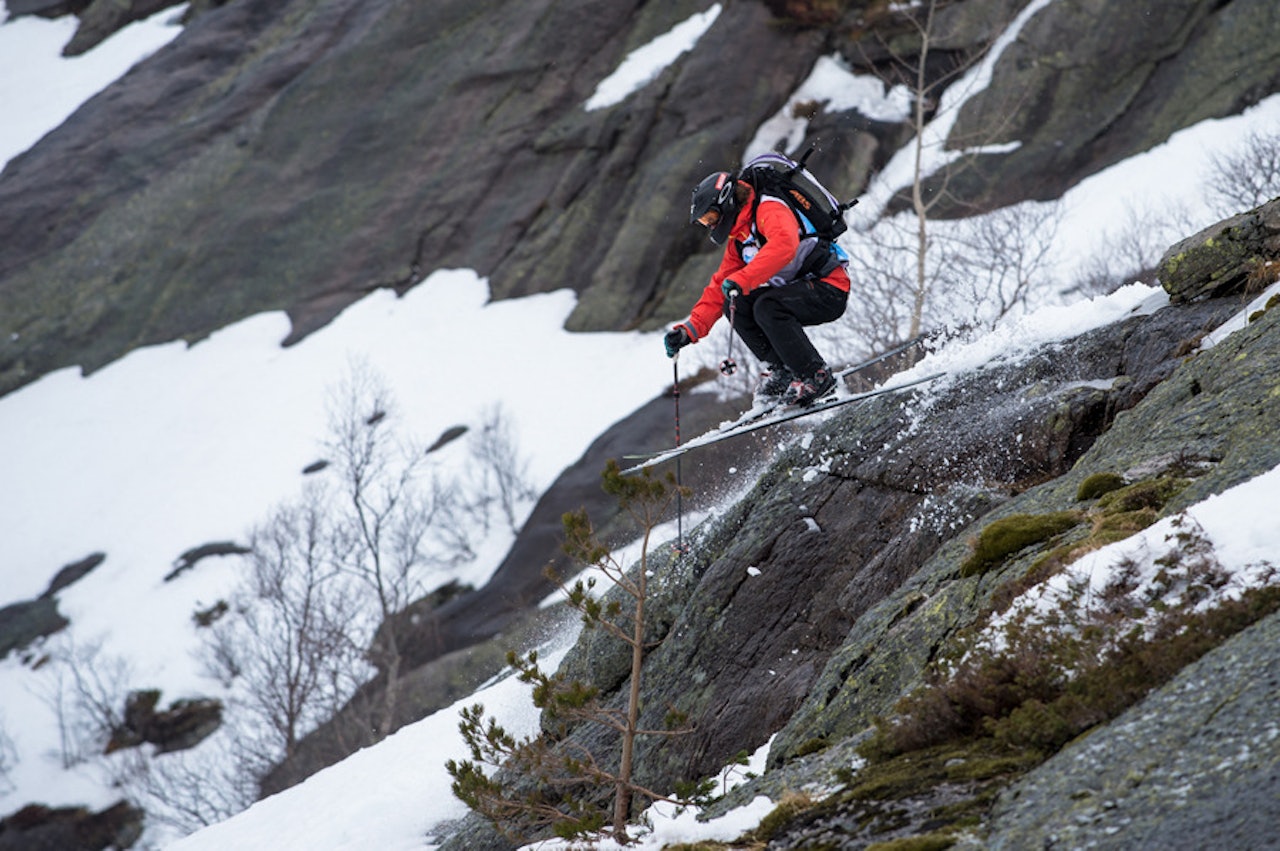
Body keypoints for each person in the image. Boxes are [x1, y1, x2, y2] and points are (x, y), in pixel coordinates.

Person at [664, 169, 851, 407]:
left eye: (710, 217)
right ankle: (783, 372)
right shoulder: (740, 238)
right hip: (798, 291)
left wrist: (743, 279)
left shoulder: (769, 209)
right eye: (704, 222)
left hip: (829, 288)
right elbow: (719, 287)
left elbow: (785, 245)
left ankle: (816, 376)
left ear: (728, 202)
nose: (710, 226)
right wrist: (689, 331)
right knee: (736, 303)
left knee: (767, 306)